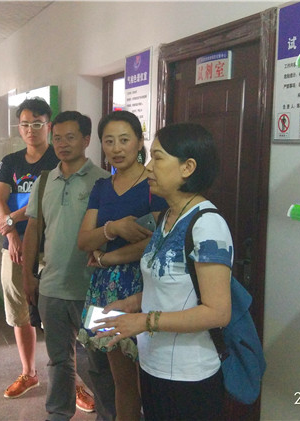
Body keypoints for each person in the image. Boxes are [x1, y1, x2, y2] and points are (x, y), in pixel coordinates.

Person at [92, 123, 233, 421]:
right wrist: (131, 304)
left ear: (187, 167)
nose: (148, 167)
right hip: (154, 365)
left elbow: (218, 312)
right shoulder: (168, 216)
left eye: (157, 158)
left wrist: (144, 321)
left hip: (188, 375)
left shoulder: (207, 225)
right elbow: (172, 288)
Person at [22, 111, 116, 421]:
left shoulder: (104, 181)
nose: (62, 144)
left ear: (86, 140)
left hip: (95, 290)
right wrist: (28, 276)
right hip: (52, 287)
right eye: (57, 138)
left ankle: (108, 415)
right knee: (59, 361)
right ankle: (58, 414)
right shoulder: (44, 180)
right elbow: (33, 229)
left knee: (100, 363)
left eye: (70, 137)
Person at [76, 111, 167, 421]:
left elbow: (157, 241)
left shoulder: (155, 184)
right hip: (106, 290)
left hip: (145, 285)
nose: (116, 148)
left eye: (124, 140)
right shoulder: (102, 186)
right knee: (122, 380)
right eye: (109, 141)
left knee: (153, 380)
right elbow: (83, 240)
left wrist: (108, 257)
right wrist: (113, 228)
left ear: (139, 142)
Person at [0, 97, 60, 399]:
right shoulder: (11, 161)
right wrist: (10, 233)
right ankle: (29, 373)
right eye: (24, 124)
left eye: (36, 124)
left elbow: (46, 202)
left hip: (51, 247)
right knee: (19, 311)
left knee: (57, 314)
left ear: (48, 125)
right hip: (15, 247)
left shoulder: (58, 159)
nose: (30, 130)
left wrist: (11, 219)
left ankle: (70, 380)